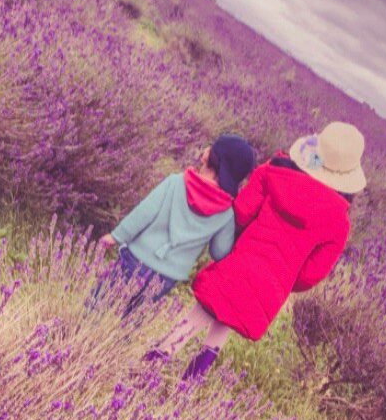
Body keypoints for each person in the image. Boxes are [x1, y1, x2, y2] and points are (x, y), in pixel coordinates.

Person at [152, 121, 367, 379]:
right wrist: (283, 275)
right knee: (225, 322)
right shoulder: (339, 222)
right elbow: (310, 275)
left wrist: (243, 243)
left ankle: (152, 363)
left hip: (240, 261)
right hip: (270, 286)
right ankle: (188, 383)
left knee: (200, 315)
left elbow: (241, 211)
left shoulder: (273, 171)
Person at [95, 135, 257, 317]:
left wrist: (117, 236)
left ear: (210, 156)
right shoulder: (226, 213)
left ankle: (78, 337)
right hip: (166, 277)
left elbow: (144, 213)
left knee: (98, 304)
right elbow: (219, 252)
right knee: (131, 319)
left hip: (136, 259)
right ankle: (114, 344)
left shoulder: (176, 182)